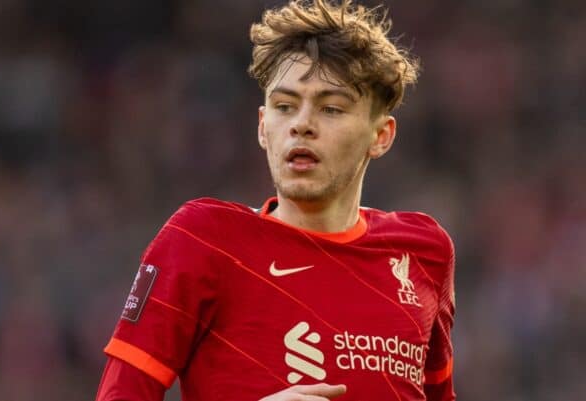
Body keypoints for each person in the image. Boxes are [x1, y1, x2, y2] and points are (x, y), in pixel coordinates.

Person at [95, 0, 456, 400]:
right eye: (285, 106)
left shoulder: (423, 253)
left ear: (381, 135)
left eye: (331, 108)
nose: (301, 124)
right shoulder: (203, 240)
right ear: (264, 127)